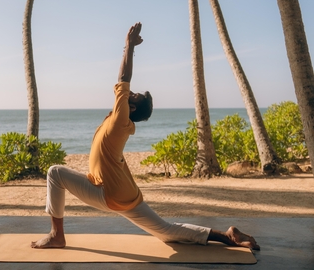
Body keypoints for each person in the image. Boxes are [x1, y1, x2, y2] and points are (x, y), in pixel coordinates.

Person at [31, 22, 260, 251]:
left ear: (131, 108)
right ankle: (228, 236)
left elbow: (123, 76)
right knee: (166, 231)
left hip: (107, 193)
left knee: (55, 172)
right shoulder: (118, 121)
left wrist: (129, 46)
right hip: (127, 194)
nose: (130, 92)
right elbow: (122, 85)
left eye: (135, 95)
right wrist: (126, 49)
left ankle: (56, 235)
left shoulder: (121, 120)